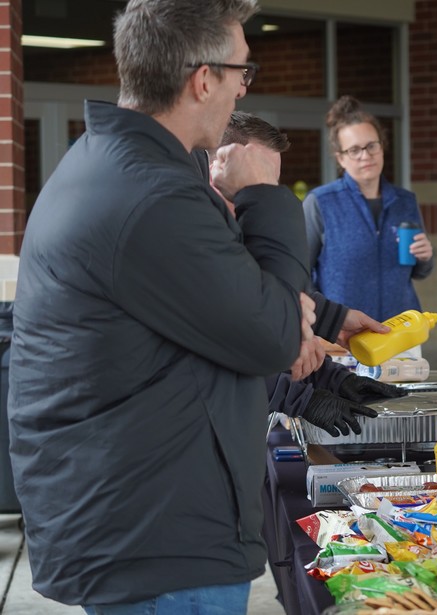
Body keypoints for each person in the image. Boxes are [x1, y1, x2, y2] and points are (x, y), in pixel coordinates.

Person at [9, 0, 310, 610]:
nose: (241, 91)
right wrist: (264, 195)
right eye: (241, 73)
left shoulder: (121, 166)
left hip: (141, 520)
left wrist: (322, 316)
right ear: (204, 79)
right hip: (159, 542)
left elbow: (205, 289)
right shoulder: (152, 195)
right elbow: (274, 335)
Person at [216, 111, 405, 436]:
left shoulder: (229, 219)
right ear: (222, 162)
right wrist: (303, 397)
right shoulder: (200, 225)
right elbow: (226, 341)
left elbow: (267, 298)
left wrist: (333, 373)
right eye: (258, 180)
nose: (265, 190)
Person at [304, 95, 434, 322]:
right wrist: (327, 321)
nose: (366, 156)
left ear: (382, 147)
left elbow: (419, 271)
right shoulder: (320, 203)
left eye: (372, 146)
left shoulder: (405, 201)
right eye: (354, 150)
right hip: (345, 335)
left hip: (401, 331)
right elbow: (301, 275)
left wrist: (425, 257)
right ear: (341, 158)